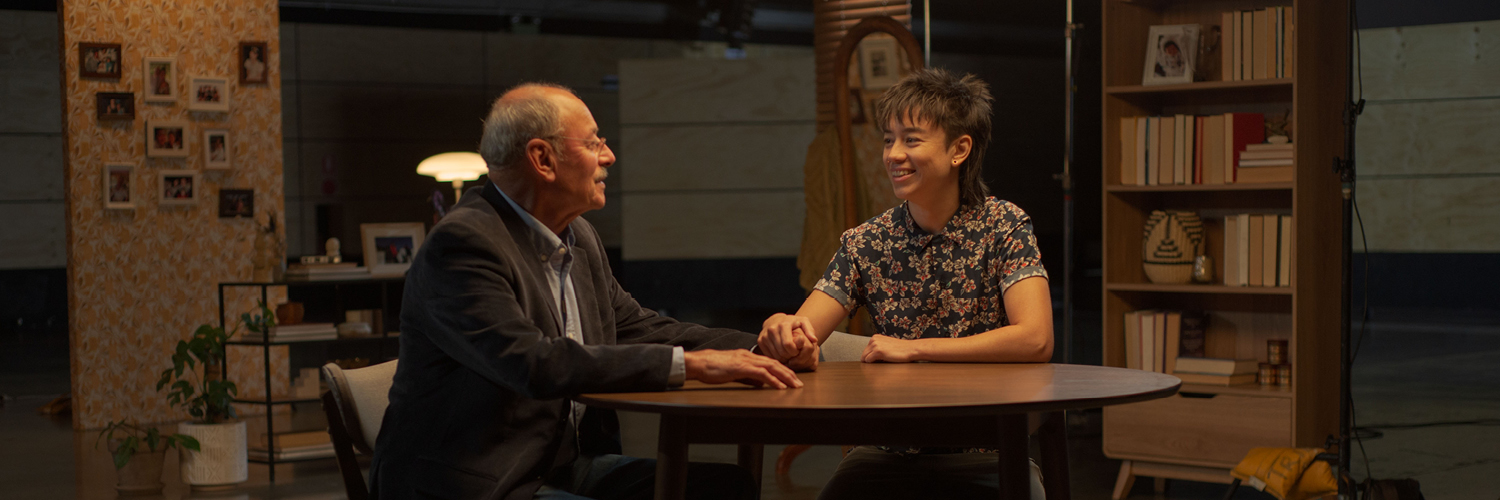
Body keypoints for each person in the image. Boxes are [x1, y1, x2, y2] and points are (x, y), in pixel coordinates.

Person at [370, 82, 815, 500]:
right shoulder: (463, 244)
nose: (610, 156)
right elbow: (532, 363)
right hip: (480, 479)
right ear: (542, 159)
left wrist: (761, 349)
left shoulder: (577, 235)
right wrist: (694, 365)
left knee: (724, 487)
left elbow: (637, 327)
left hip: (562, 465)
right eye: (593, 143)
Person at [756, 68, 1053, 500]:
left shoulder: (1004, 226)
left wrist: (914, 348)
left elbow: (1036, 339)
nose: (893, 154)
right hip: (884, 454)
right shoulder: (866, 241)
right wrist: (784, 332)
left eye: (911, 140)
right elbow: (807, 333)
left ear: (959, 149)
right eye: (888, 139)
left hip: (985, 451)